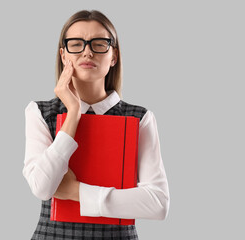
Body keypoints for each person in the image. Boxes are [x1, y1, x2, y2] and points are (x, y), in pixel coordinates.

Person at [22, 10, 170, 239]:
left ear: (114, 56)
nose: (87, 51)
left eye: (99, 43)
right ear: (63, 55)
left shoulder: (139, 118)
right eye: (76, 44)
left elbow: (158, 203)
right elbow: (42, 188)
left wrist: (76, 192)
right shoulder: (40, 112)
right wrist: (72, 114)